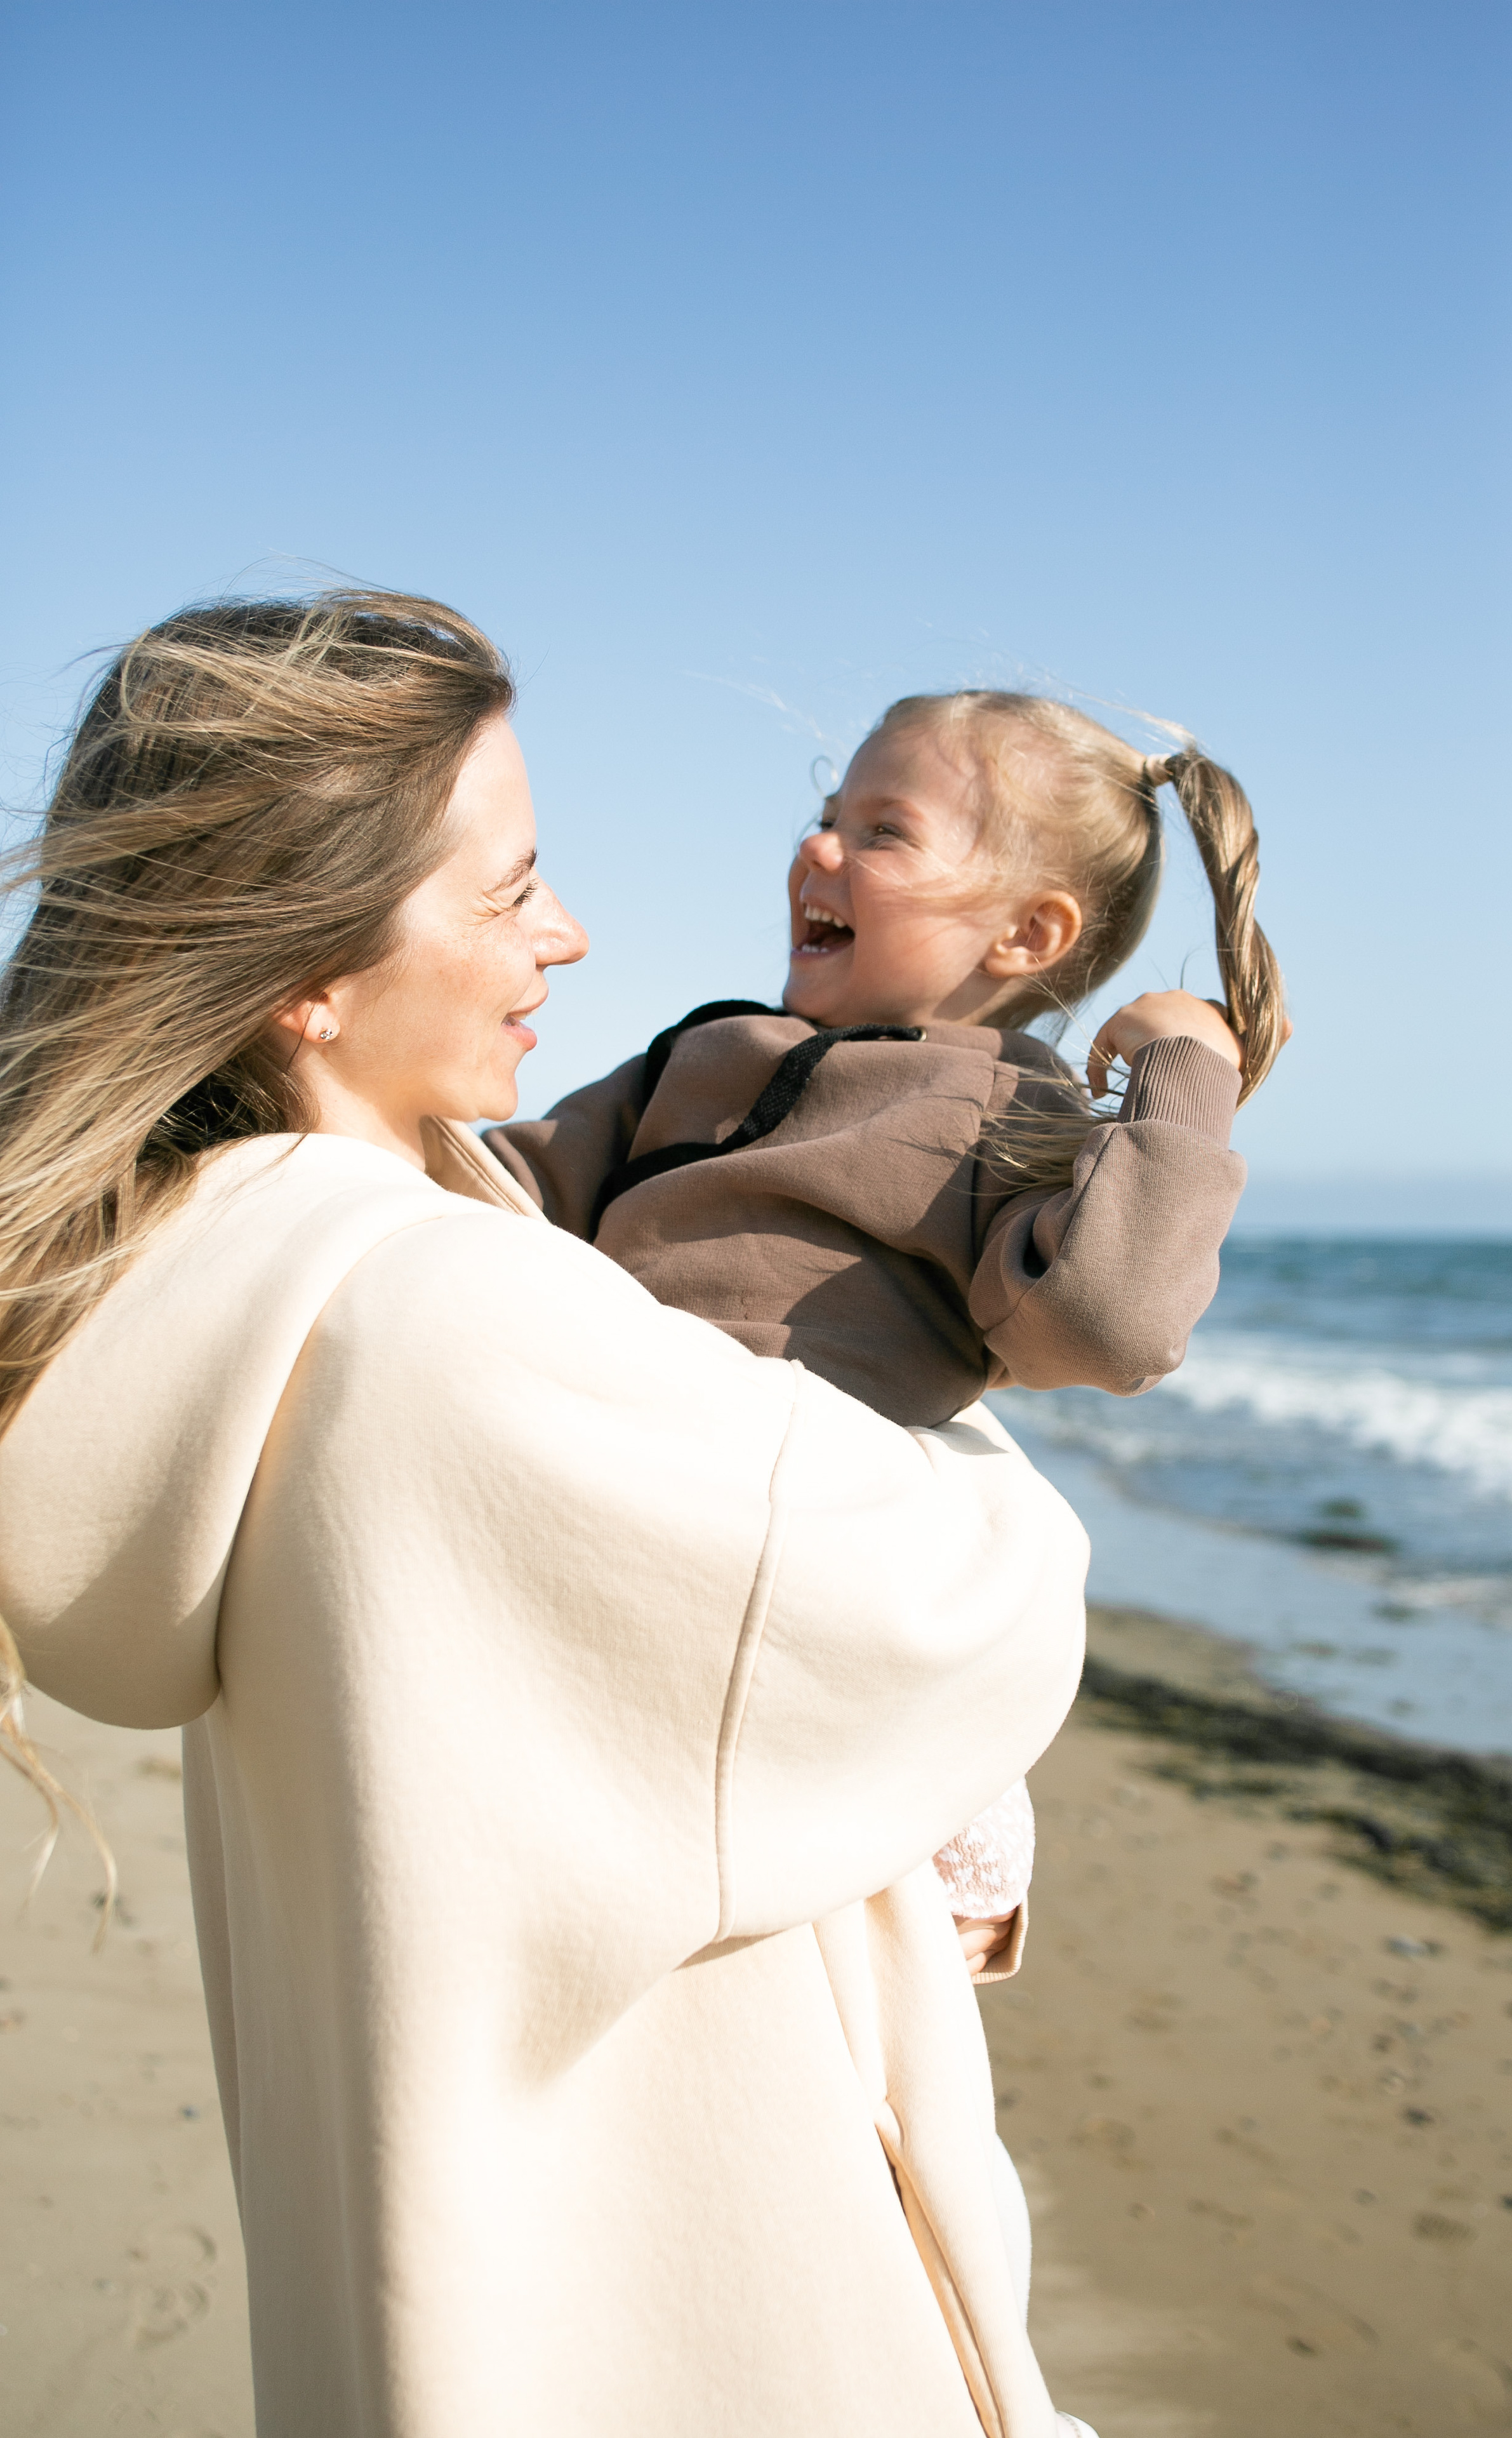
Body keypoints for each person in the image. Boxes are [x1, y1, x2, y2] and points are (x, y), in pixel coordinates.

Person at [0, 594, 1096, 2438]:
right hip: (684, 2313)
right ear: (311, 969)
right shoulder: (454, 1328)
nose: (570, 937)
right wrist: (924, 1373)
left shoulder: (232, 1295)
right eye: (509, 893)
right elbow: (959, 1615)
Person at [487, 688, 1288, 1978]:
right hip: (628, 1474)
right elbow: (501, 1200)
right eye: (822, 818)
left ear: (1031, 931)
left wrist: (1182, 1086)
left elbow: (1106, 1328)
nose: (817, 852)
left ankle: (939, 1848)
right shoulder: (695, 1056)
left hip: (819, 1553)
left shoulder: (1018, 1122)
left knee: (828, 1946)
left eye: (881, 833)